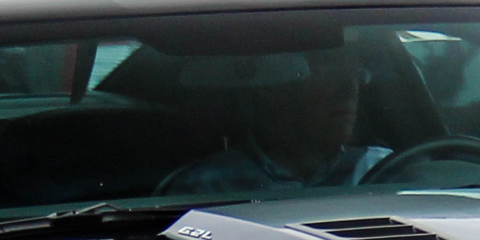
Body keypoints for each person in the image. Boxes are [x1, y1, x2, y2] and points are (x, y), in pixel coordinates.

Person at [163, 44, 390, 194]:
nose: (350, 88)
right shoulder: (206, 187)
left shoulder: (386, 172)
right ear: (271, 89)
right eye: (329, 73)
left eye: (358, 74)